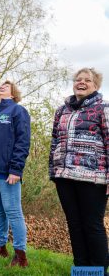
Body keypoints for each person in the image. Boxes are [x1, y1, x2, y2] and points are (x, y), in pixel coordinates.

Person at [49, 68, 108, 273]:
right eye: (78, 79)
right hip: (64, 176)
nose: (81, 82)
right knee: (74, 224)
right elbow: (55, 141)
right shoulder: (61, 110)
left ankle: (99, 270)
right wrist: (53, 171)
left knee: (92, 225)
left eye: (87, 80)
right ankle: (82, 269)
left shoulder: (103, 108)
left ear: (96, 85)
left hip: (93, 177)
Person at [0, 81, 30, 267]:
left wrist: (16, 169)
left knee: (13, 211)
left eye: (6, 86)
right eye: (0, 85)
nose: (1, 86)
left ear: (13, 94)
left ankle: (20, 255)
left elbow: (23, 141)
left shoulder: (18, 111)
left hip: (7, 171)